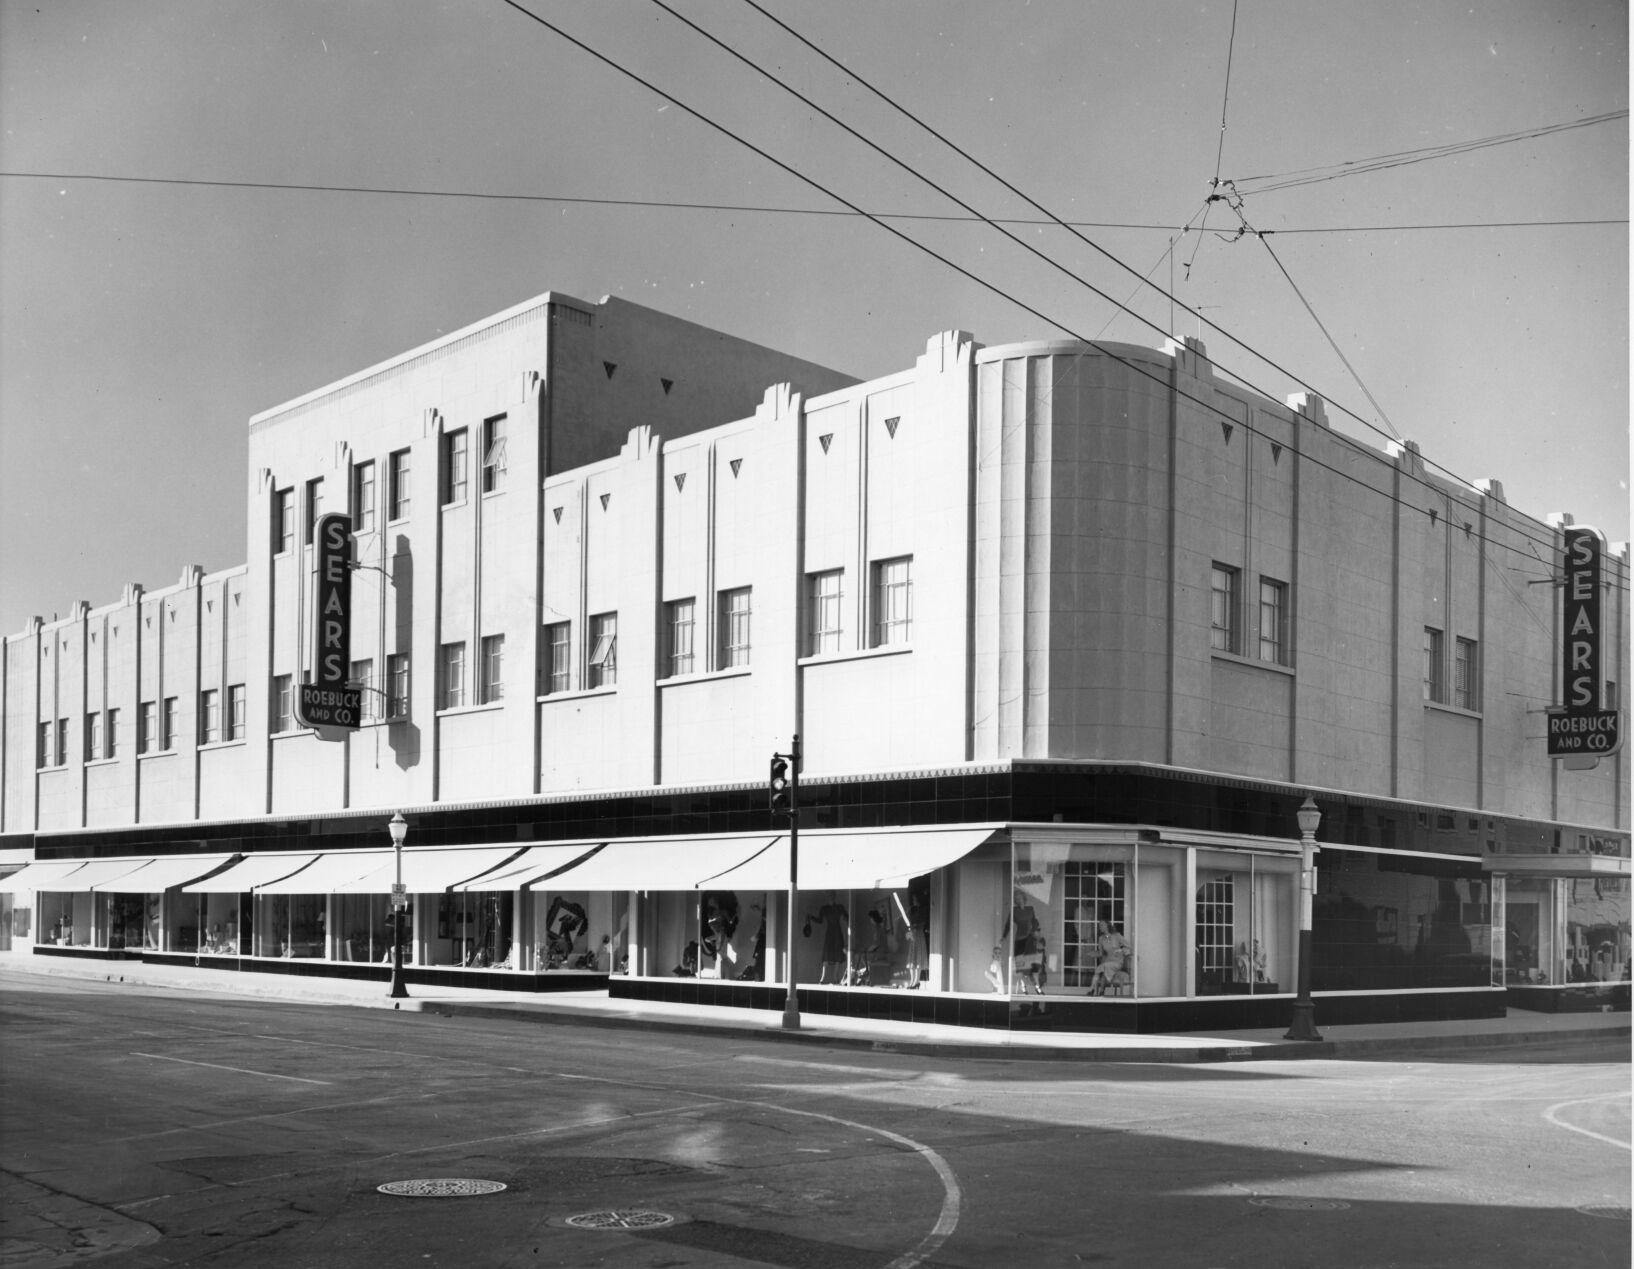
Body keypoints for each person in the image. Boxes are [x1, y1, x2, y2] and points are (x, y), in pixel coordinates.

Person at [1089, 921, 1131, 995]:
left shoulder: (1117, 936)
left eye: (1102, 925)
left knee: (1104, 966)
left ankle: (1101, 990)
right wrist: (1093, 954)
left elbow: (1128, 946)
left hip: (1117, 962)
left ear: (1107, 926)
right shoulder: (1101, 938)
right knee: (1099, 969)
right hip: (1108, 961)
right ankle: (1092, 990)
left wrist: (1120, 950)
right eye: (1099, 926)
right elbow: (1101, 953)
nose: (1100, 927)